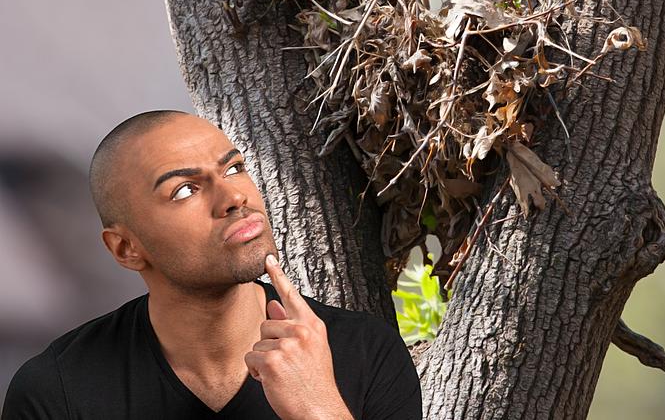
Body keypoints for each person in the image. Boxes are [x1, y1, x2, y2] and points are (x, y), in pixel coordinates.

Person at [1, 110, 422, 420]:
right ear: (127, 248)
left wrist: (319, 409)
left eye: (234, 168)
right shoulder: (57, 392)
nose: (234, 197)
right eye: (185, 190)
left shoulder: (365, 352)